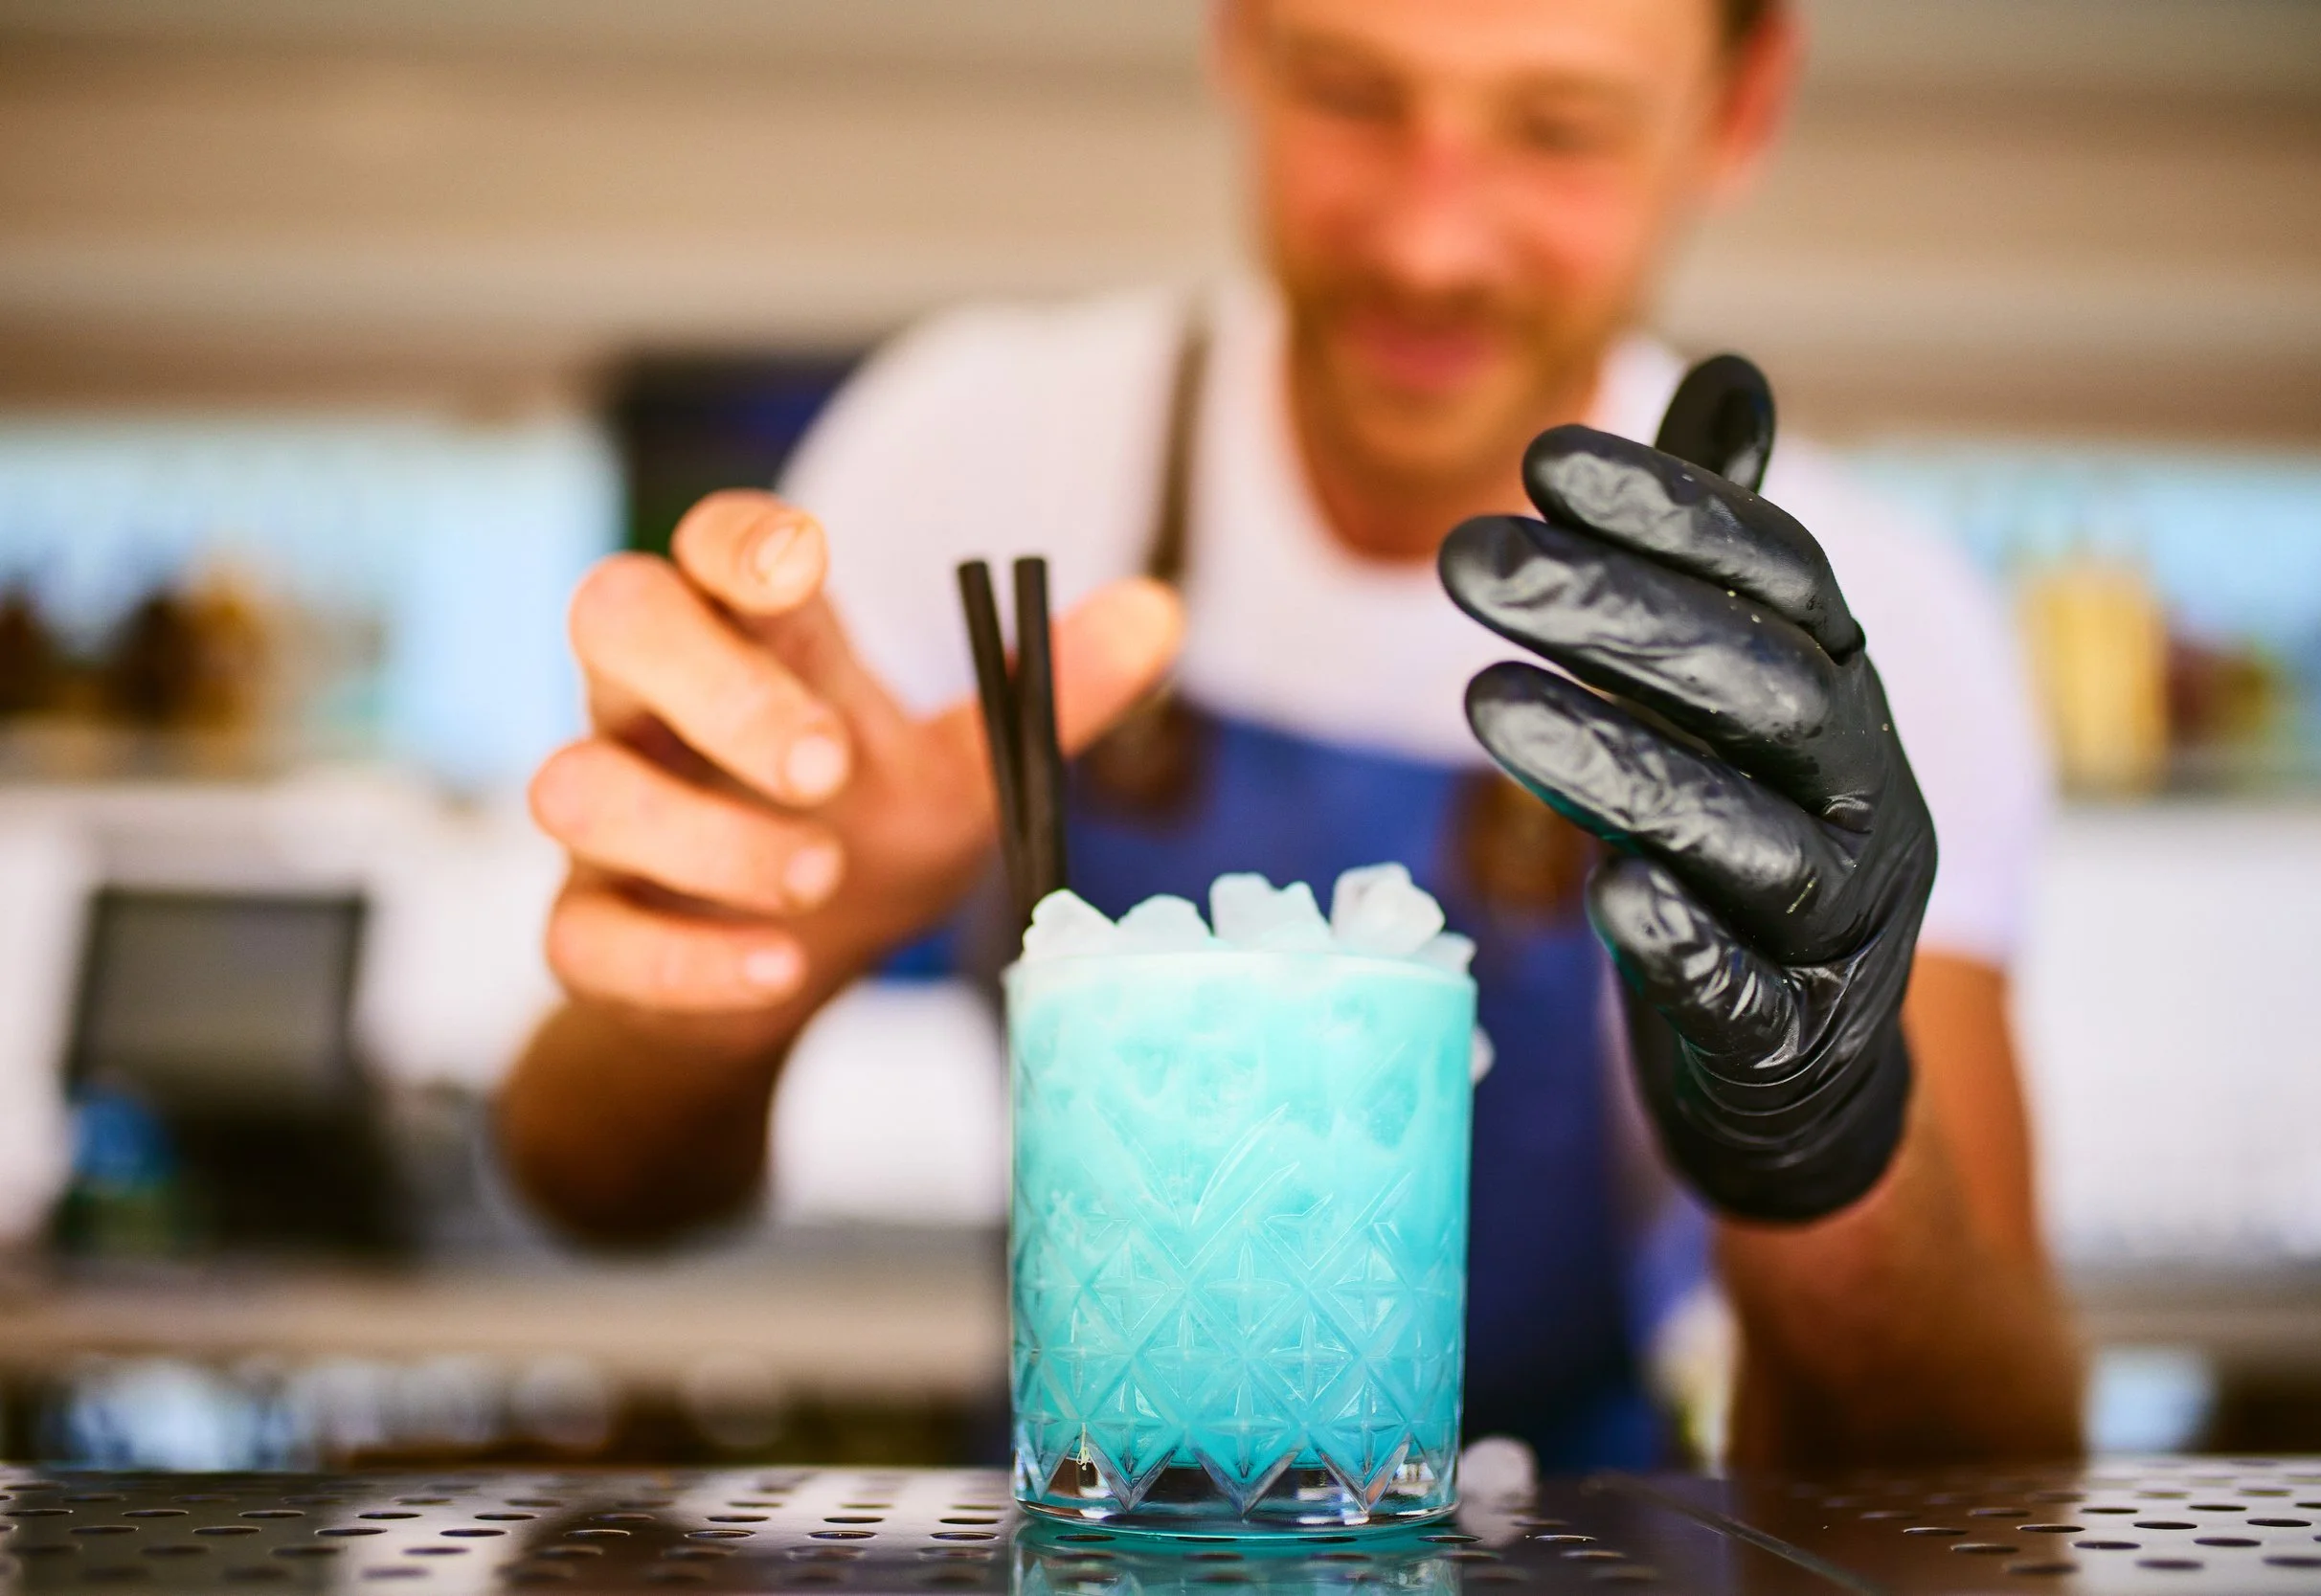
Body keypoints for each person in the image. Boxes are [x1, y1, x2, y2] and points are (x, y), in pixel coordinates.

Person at [502, 0, 2083, 1469]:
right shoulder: (980, 462)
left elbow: (1988, 1466)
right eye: (1350, 91)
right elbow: (593, 1180)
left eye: (1559, 128)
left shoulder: (1850, 630)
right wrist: (730, 971)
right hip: (1087, 1522)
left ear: (1739, 110)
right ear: (1239, 38)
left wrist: (1826, 1150)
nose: (1428, 237)